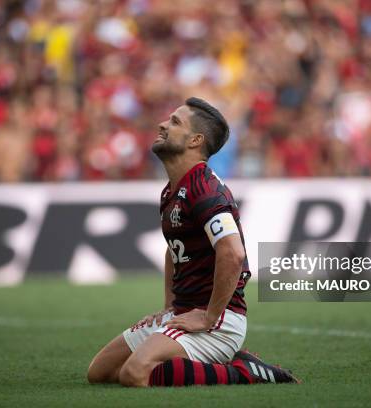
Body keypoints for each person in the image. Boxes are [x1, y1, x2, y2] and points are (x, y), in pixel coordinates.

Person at [87, 97, 299, 387]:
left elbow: (233, 253)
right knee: (100, 373)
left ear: (195, 140)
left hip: (220, 320)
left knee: (134, 373)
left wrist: (210, 317)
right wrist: (169, 306)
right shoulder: (172, 191)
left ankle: (244, 372)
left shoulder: (205, 189)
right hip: (185, 312)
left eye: (175, 122)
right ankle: (194, 355)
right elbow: (173, 250)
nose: (162, 124)